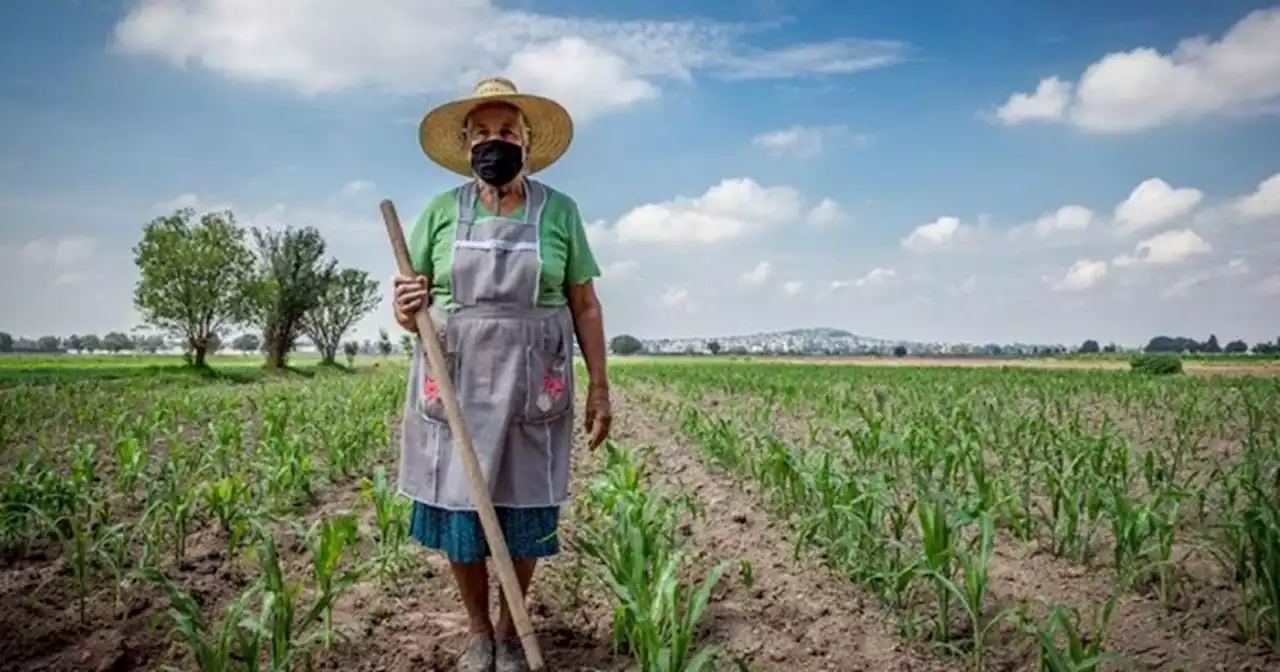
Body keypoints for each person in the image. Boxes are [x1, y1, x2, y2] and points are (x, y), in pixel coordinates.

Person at [391, 76, 613, 672]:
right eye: (483, 133)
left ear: (528, 142)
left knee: (524, 510)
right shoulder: (440, 213)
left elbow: (584, 305)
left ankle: (514, 633)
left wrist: (600, 385)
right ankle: (478, 634)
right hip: (457, 379)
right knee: (463, 510)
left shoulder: (559, 211)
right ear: (466, 146)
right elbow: (412, 308)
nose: (496, 141)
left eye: (507, 131)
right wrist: (405, 306)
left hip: (532, 377)